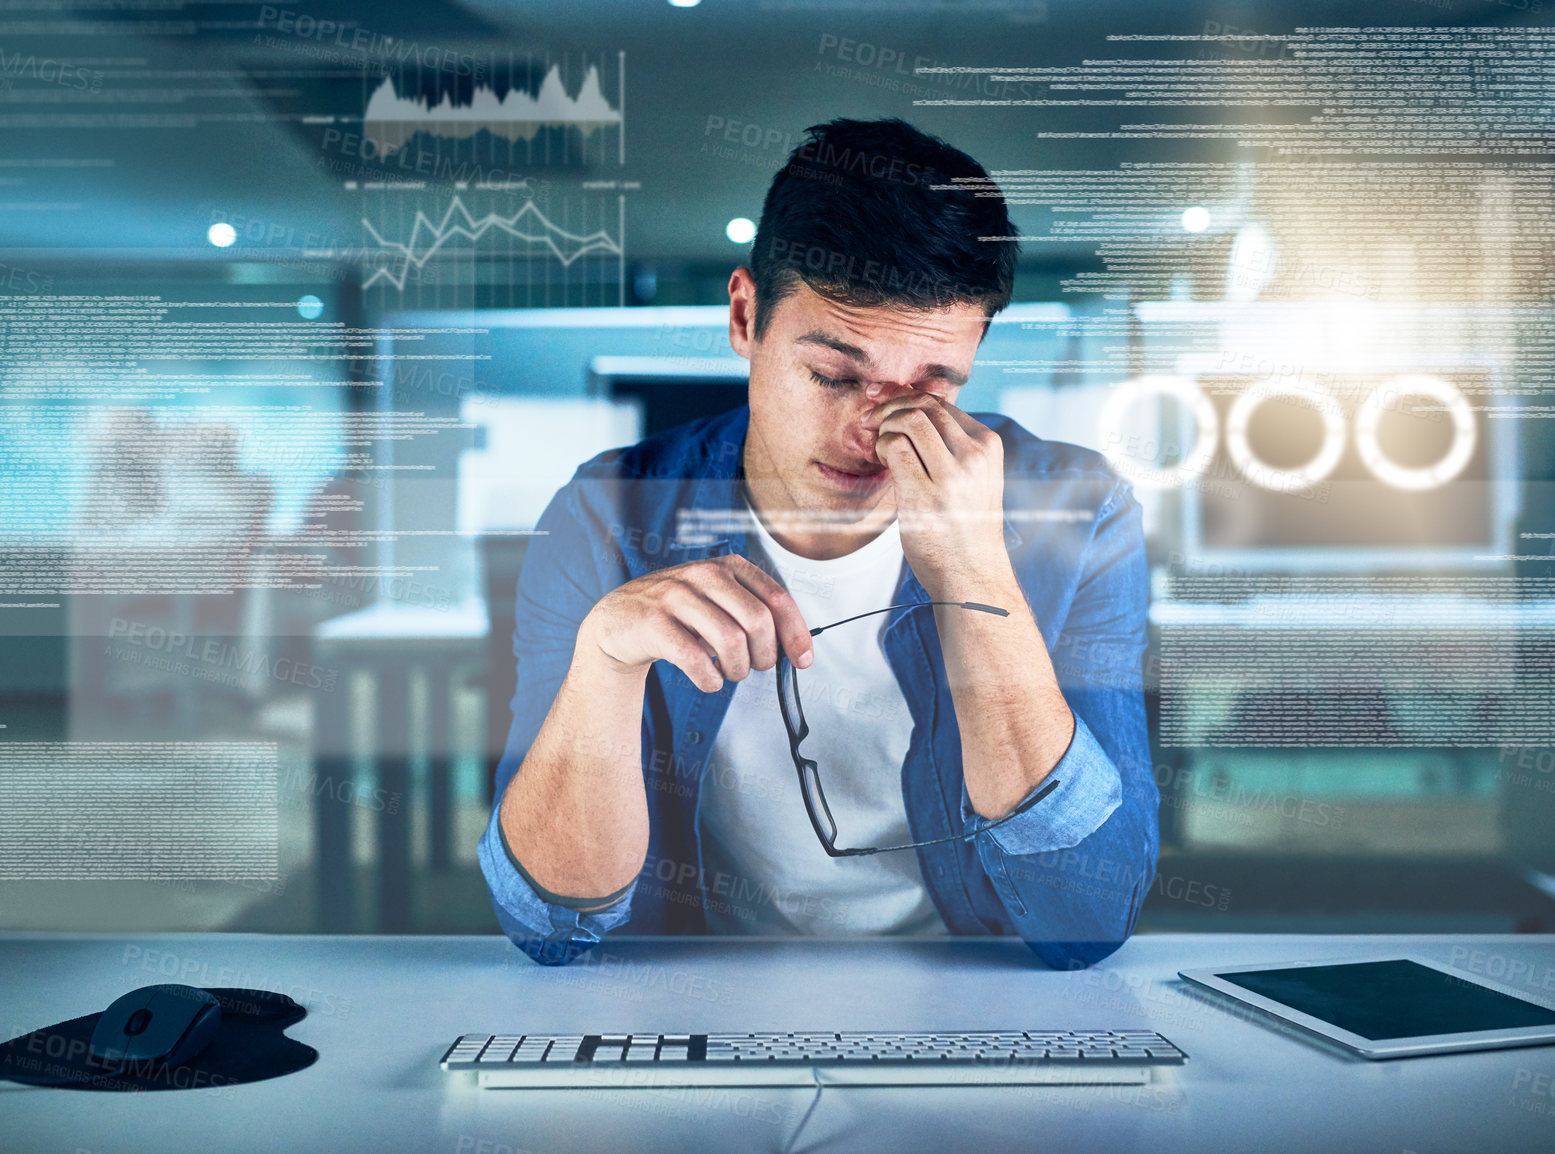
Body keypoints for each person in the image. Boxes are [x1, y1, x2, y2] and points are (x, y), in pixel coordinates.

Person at [478, 118, 1157, 969]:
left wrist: (974, 570)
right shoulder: (604, 514)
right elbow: (546, 926)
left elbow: (1088, 919)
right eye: (834, 376)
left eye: (933, 387)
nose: (873, 432)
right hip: (701, 1000)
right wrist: (605, 663)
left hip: (980, 995)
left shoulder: (1079, 509)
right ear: (743, 316)